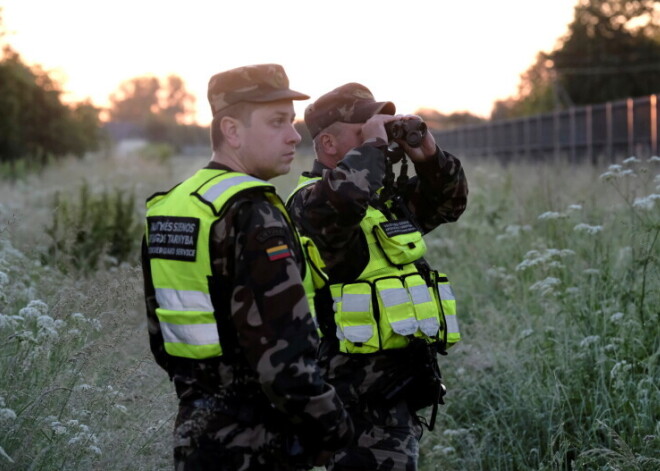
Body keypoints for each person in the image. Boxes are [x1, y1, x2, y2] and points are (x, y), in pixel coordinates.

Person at [141, 64, 353, 471]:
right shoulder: (253, 213)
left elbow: (162, 336)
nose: (294, 135)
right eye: (277, 122)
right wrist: (336, 430)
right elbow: (285, 362)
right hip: (261, 443)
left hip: (197, 435)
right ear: (232, 131)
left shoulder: (172, 207)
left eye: (291, 122)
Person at [286, 83, 468, 471]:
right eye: (364, 129)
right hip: (350, 407)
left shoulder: (382, 204)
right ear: (329, 144)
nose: (381, 137)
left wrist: (428, 156)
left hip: (393, 399)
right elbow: (343, 201)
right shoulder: (310, 203)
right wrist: (371, 149)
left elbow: (450, 201)